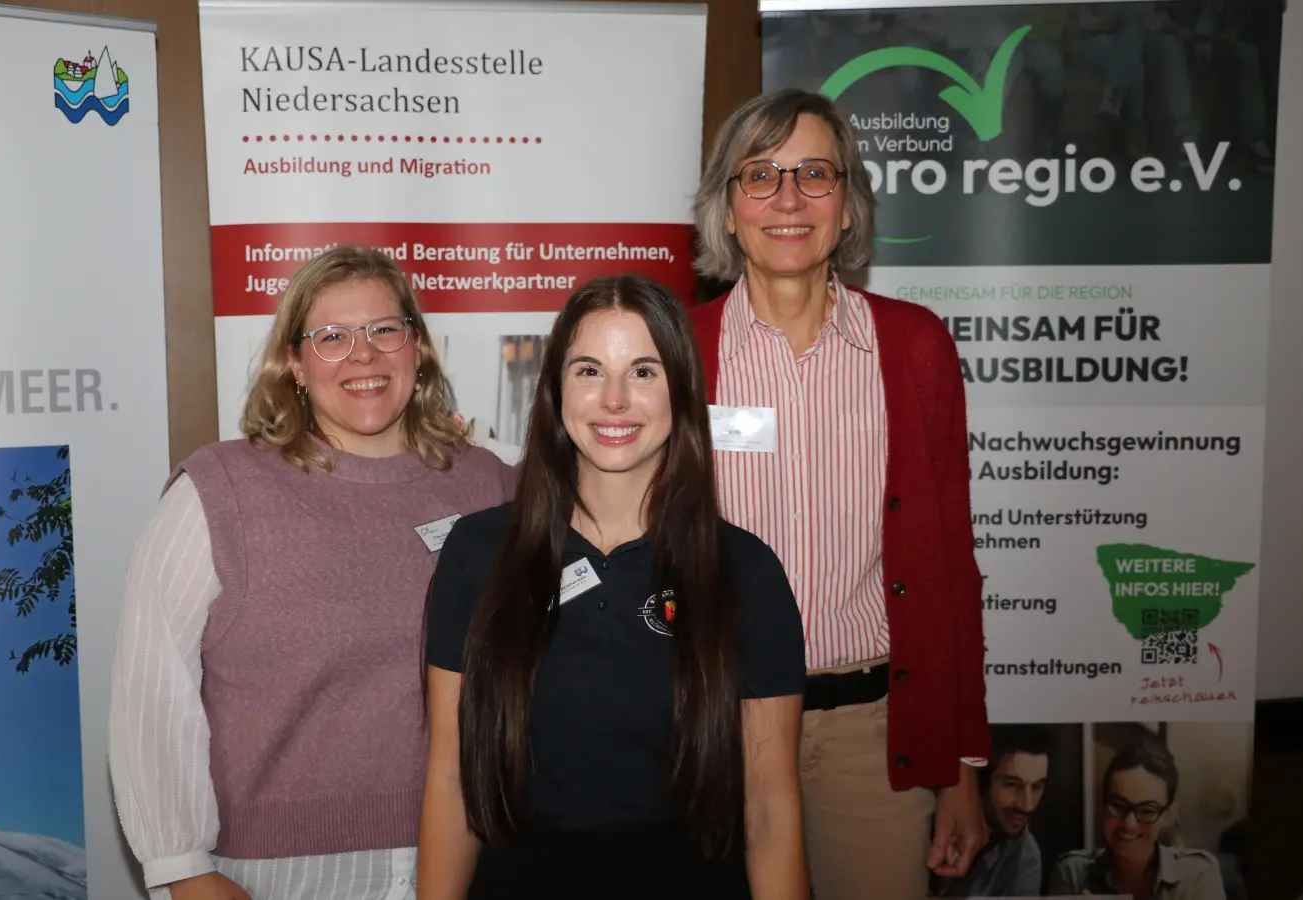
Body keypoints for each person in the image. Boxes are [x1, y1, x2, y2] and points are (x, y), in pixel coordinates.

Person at [108, 245, 516, 900]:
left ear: (418, 348)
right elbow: (152, 693)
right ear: (293, 363)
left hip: (474, 857)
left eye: (385, 330)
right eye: (332, 337)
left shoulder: (491, 484)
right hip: (273, 877)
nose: (364, 355)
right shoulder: (220, 493)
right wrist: (182, 869)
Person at [688, 87, 990, 900]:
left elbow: (950, 568)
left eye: (814, 173)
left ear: (848, 208)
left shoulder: (915, 347)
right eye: (761, 175)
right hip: (717, 729)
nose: (788, 199)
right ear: (725, 211)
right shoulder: (674, 351)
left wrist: (960, 764)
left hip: (873, 736)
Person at [418, 274, 810, 900]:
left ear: (682, 391)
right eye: (589, 370)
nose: (616, 399)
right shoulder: (477, 553)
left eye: (645, 371)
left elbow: (771, 811)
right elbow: (450, 781)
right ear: (555, 390)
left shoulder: (745, 571)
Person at [1049, 742, 1226, 900]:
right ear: (1103, 806)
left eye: (1147, 810)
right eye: (1118, 806)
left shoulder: (1197, 874)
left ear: (1169, 815)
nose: (1129, 824)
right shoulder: (1073, 872)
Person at [935, 725, 1057, 896]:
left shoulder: (1026, 854)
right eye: (1012, 785)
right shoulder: (932, 821)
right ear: (983, 781)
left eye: (1037, 787)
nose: (1027, 806)